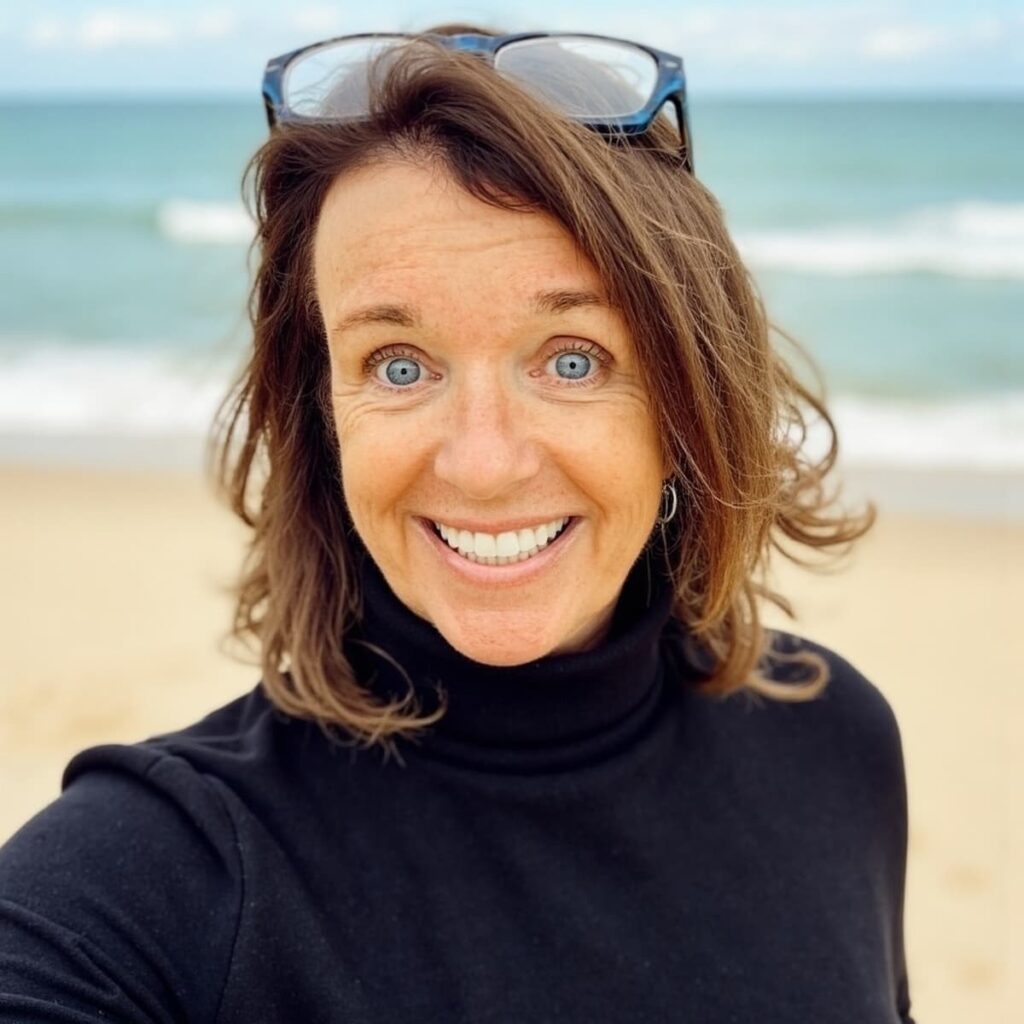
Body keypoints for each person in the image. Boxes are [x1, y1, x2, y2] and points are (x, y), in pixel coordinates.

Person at [0, 24, 914, 1024]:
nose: (483, 462)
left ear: (686, 403)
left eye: (572, 359)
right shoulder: (160, 876)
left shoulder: (836, 746)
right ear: (323, 415)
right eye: (399, 365)